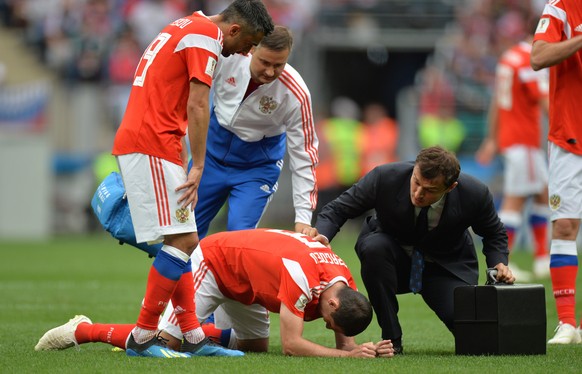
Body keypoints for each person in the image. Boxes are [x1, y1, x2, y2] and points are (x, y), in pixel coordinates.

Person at [110, 0, 274, 358]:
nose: (246, 51)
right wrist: (198, 166)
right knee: (182, 241)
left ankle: (194, 337)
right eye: (248, 43)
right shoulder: (206, 37)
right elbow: (198, 104)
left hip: (153, 140)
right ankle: (142, 336)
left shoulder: (186, 24)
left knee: (185, 241)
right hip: (152, 141)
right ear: (233, 29)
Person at [35, 229, 394, 359]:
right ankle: (83, 330)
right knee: (159, 343)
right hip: (215, 264)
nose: (329, 326)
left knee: (252, 348)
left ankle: (199, 337)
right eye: (330, 322)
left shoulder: (342, 280)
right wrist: (345, 358)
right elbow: (292, 346)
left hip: (249, 284)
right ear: (332, 303)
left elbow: (342, 338)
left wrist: (363, 349)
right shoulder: (305, 278)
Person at [306, 146, 515, 354]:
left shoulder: (475, 194)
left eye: (430, 190)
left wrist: (498, 264)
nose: (418, 193)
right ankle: (392, 339)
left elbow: (494, 233)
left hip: (445, 266)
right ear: (414, 168)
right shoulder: (384, 177)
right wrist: (322, 237)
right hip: (392, 261)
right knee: (374, 247)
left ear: (450, 187)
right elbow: (338, 209)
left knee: (472, 337)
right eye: (416, 182)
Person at [194, 25, 318, 238]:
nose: (270, 72)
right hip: (210, 158)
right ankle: (190, 272)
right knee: (184, 232)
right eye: (265, 62)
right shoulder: (227, 57)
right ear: (251, 49)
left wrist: (303, 219)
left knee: (239, 238)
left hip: (256, 169)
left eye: (278, 65)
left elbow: (304, 155)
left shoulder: (296, 93)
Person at [476, 29, 550, 281]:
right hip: (523, 140)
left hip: (513, 138)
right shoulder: (529, 58)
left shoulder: (509, 57)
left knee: (542, 192)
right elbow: (544, 101)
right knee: (515, 200)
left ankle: (542, 257)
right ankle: (502, 263)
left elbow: (498, 100)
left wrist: (492, 138)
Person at [531, 0, 582, 344]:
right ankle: (567, 324)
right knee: (565, 225)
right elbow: (538, 57)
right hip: (570, 135)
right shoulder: (563, 5)